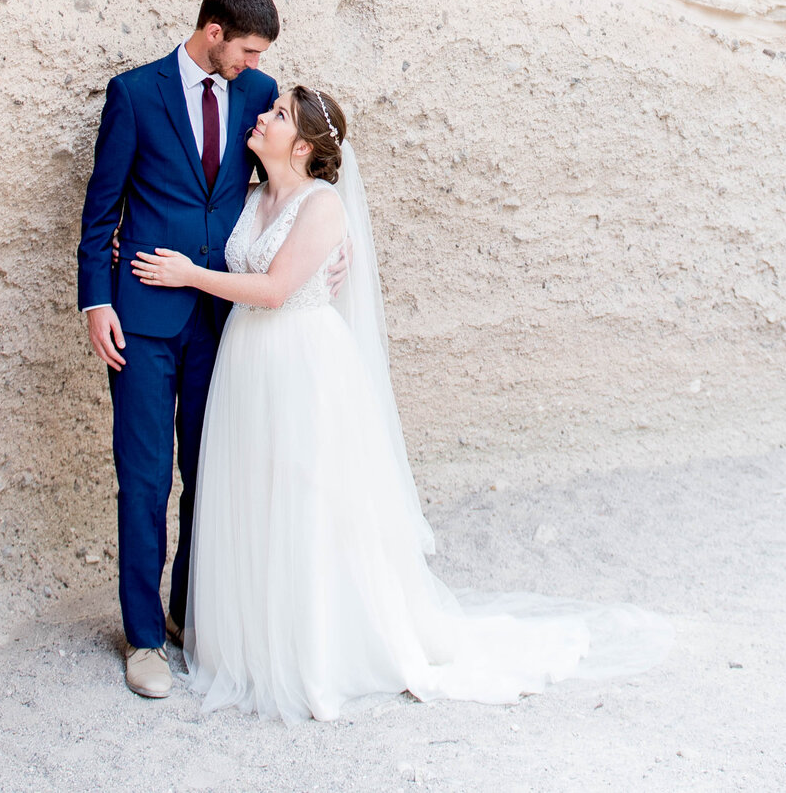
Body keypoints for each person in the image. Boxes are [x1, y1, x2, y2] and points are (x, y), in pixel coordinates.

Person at [130, 84, 666, 720]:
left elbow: (274, 289)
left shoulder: (322, 205)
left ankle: (317, 647)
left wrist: (189, 275)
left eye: (276, 116)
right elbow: (214, 235)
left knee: (307, 498)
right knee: (254, 494)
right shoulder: (250, 197)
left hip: (302, 364)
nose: (262, 117)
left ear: (301, 145)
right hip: (247, 363)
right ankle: (251, 636)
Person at [77, 0, 281, 700]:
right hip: (141, 318)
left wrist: (324, 236)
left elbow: (288, 177)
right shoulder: (134, 94)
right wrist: (95, 300)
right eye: (248, 49)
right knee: (144, 477)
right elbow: (100, 208)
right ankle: (141, 636)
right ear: (215, 30)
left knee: (209, 471)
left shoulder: (257, 94)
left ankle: (186, 612)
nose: (256, 65)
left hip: (220, 319)